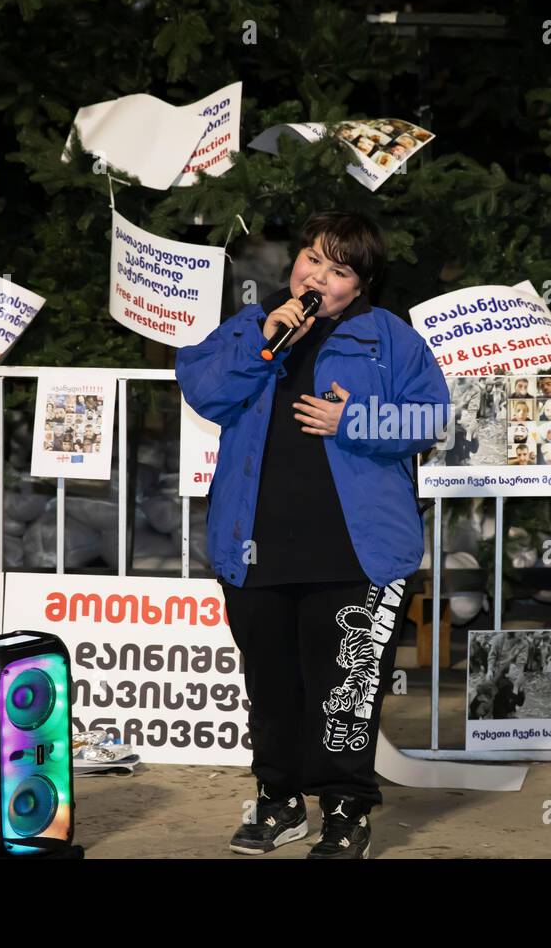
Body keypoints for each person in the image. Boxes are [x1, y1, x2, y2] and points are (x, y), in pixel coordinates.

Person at [175, 211, 449, 859]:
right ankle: (279, 800)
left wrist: (353, 418)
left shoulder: (390, 338)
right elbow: (204, 390)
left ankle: (347, 808)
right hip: (254, 542)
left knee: (344, 689)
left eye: (339, 269)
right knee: (271, 684)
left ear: (359, 284)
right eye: (312, 260)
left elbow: (431, 417)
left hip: (356, 551)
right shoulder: (252, 324)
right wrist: (264, 339)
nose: (318, 277)